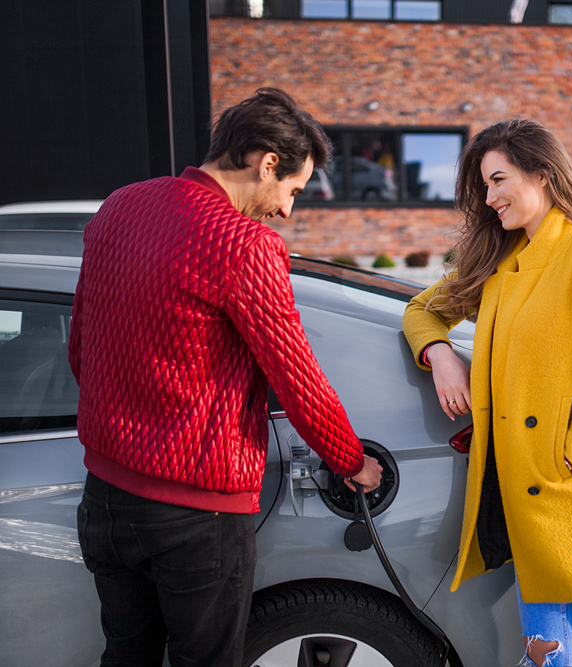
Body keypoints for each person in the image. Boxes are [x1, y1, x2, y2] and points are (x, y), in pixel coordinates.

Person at [70, 87, 382, 667]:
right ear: (266, 163)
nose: (287, 210)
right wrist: (352, 462)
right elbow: (298, 379)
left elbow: (80, 348)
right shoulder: (245, 245)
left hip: (106, 499)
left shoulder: (119, 205)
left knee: (125, 655)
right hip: (197, 516)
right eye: (291, 190)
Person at [402, 119, 572, 667]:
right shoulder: (497, 261)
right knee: (546, 656)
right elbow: (421, 310)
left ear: (544, 174)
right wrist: (440, 356)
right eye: (484, 186)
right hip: (529, 498)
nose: (490, 198)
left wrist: (567, 454)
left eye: (499, 180)